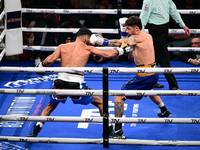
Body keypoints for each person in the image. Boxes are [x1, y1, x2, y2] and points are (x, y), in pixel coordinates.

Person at [27, 27, 132, 137]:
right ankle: (109, 131)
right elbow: (107, 54)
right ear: (86, 38)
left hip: (60, 83)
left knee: (50, 106)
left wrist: (40, 66)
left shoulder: (62, 46)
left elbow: (49, 60)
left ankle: (36, 129)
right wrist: (122, 50)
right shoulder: (87, 48)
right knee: (101, 103)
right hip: (76, 85)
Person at [90, 16, 172, 139]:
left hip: (145, 75)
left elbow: (119, 42)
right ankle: (164, 110)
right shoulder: (147, 35)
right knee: (147, 89)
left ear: (136, 28)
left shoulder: (137, 38)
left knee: (118, 97)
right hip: (153, 73)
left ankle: (118, 130)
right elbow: (127, 41)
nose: (127, 31)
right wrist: (125, 35)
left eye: (128, 29)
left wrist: (102, 41)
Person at [139, 0, 191, 90]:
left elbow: (173, 12)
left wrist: (183, 25)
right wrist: (142, 36)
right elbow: (143, 17)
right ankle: (173, 85)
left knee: (155, 56)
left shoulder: (168, 0)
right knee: (164, 57)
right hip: (155, 29)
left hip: (164, 28)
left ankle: (151, 82)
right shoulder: (149, 0)